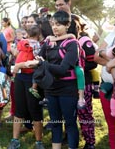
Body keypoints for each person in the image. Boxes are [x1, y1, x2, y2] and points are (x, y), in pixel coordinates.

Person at [29, 10, 80, 149]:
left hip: (68, 88)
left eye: (59, 24)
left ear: (67, 24)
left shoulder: (72, 44)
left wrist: (43, 64)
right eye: (53, 24)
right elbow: (38, 58)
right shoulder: (48, 41)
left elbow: (63, 70)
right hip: (51, 88)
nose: (55, 27)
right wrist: (40, 62)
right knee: (55, 123)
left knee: (70, 123)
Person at [7, 26, 44, 149]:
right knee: (26, 109)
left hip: (30, 77)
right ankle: (17, 139)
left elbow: (39, 62)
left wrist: (19, 64)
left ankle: (35, 141)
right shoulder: (36, 44)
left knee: (31, 109)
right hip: (23, 78)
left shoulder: (24, 43)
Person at [94, 30, 115, 148]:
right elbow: (96, 57)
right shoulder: (112, 34)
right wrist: (110, 63)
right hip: (108, 88)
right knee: (112, 126)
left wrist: (110, 62)